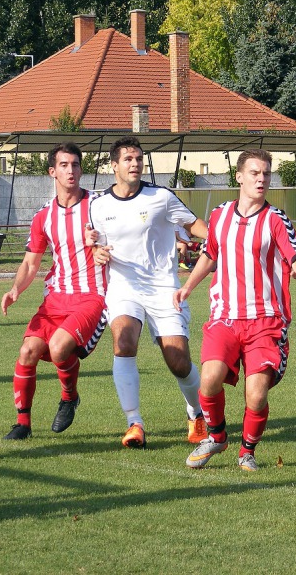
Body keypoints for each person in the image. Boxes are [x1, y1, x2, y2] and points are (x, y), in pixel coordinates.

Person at [173, 149, 296, 471]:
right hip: (225, 315)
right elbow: (210, 253)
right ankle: (218, 437)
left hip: (265, 320)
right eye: (254, 173)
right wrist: (188, 286)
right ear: (239, 176)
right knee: (208, 380)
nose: (261, 179)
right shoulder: (220, 215)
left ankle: (246, 451)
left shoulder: (276, 219)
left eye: (265, 173)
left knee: (257, 393)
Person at [89, 136, 209, 449]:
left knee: (178, 361)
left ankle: (196, 413)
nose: (135, 164)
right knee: (124, 343)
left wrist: (221, 240)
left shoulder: (161, 197)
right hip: (124, 287)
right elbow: (95, 244)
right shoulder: (98, 206)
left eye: (139, 158)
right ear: (113, 165)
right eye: (128, 159)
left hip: (163, 287)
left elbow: (196, 224)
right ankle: (134, 423)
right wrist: (97, 252)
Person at [1, 142, 107, 440]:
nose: (70, 170)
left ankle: (69, 396)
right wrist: (15, 290)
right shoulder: (43, 216)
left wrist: (102, 243)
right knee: (27, 351)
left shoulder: (99, 206)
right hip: (56, 298)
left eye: (75, 164)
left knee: (60, 347)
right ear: (52, 172)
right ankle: (22, 424)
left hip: (92, 296)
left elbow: (121, 238)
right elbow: (31, 262)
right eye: (64, 165)